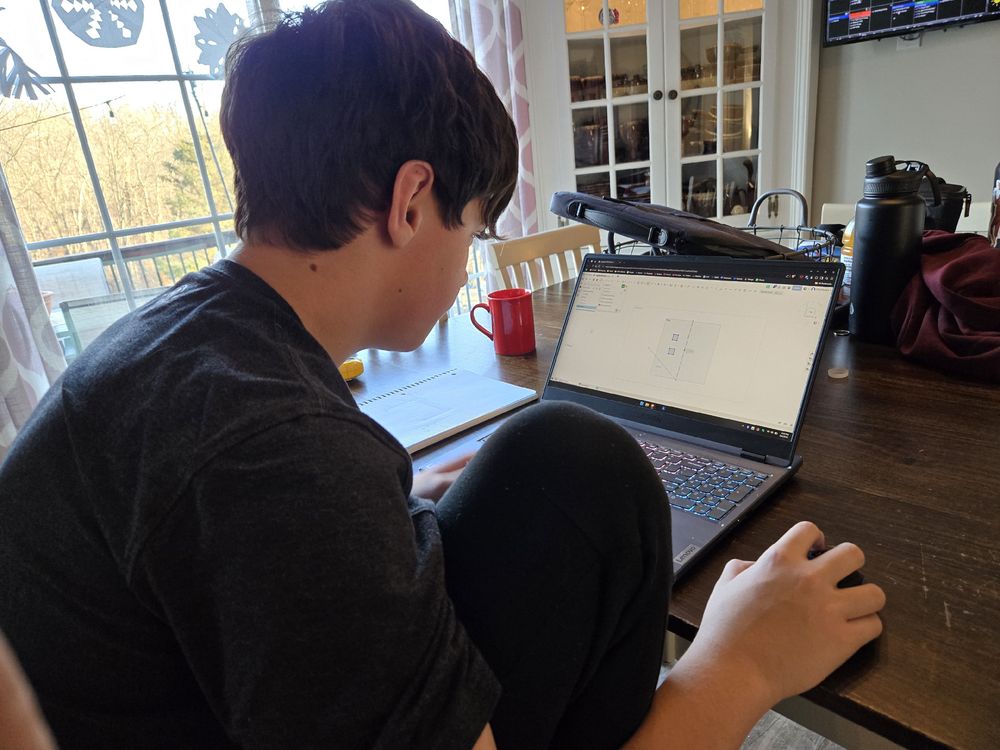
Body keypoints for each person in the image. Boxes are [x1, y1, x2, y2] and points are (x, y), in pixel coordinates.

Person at [0, 1, 885, 748]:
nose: (467, 262)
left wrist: (386, 509)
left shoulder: (182, 343)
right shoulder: (279, 457)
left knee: (563, 460)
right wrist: (741, 665)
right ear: (412, 201)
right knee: (587, 469)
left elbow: (247, 546)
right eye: (474, 227)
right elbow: (280, 497)